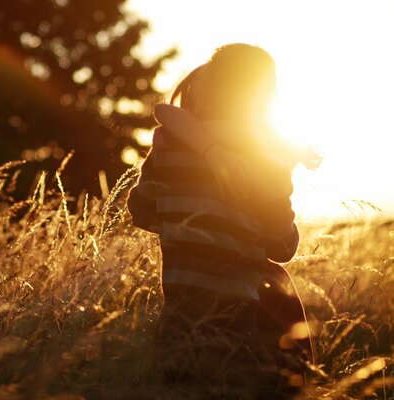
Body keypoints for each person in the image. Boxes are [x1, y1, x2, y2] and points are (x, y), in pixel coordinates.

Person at [127, 44, 319, 399]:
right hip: (243, 325)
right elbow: (283, 245)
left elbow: (142, 211)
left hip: (179, 325)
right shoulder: (268, 161)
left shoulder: (169, 146)